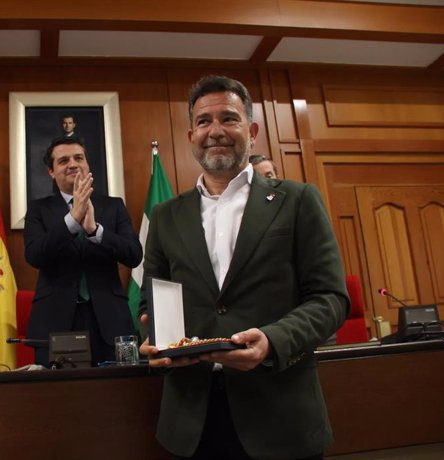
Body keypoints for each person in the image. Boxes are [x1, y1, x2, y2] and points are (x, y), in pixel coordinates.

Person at [139, 75, 350, 459]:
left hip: (281, 415)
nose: (215, 130)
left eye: (228, 118)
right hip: (192, 422)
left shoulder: (298, 201)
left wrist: (273, 341)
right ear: (191, 136)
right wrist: (154, 336)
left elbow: (330, 299)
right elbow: (148, 303)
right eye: (204, 121)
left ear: (251, 130)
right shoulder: (165, 216)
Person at [24, 137, 142, 367]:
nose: (73, 164)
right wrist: (72, 220)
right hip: (55, 321)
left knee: (117, 394)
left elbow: (134, 255)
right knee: (59, 398)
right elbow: (34, 255)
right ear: (51, 171)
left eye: (79, 158)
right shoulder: (38, 209)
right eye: (63, 160)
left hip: (109, 320)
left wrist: (95, 231)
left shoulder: (113, 205)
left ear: (87, 165)